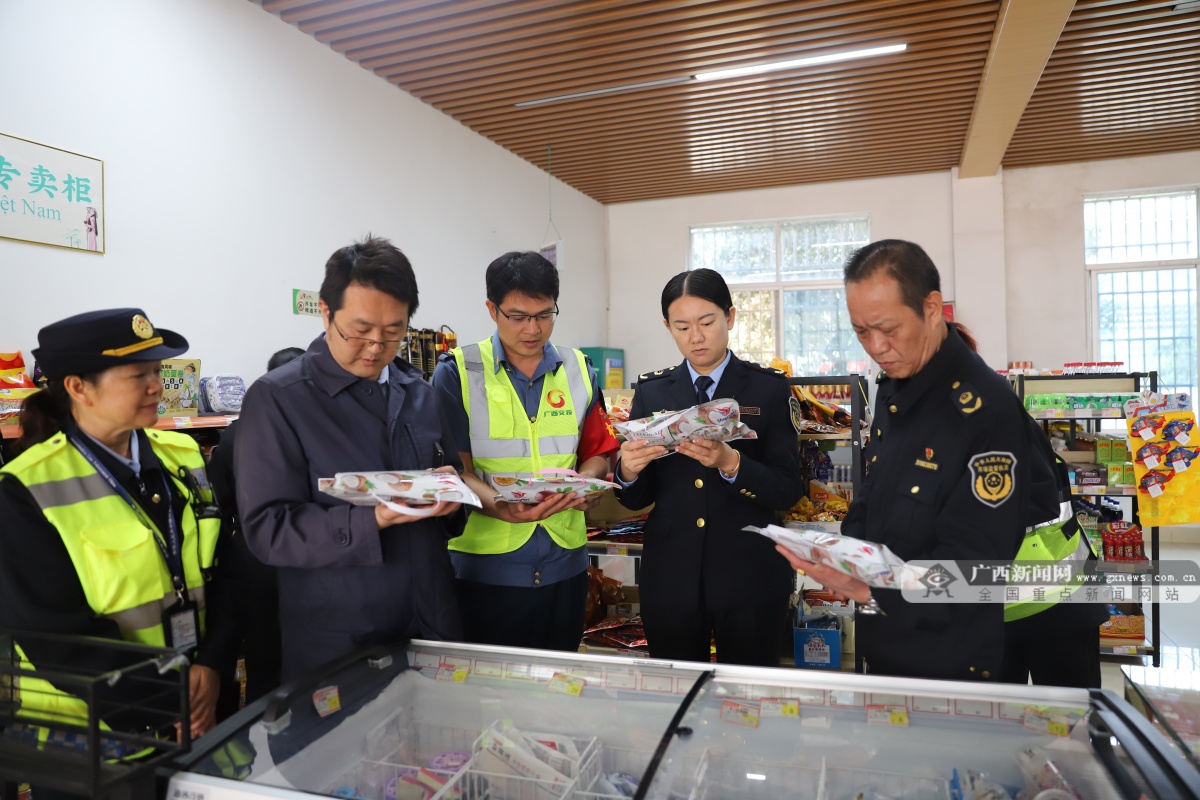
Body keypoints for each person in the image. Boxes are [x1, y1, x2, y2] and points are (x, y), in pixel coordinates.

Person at [776, 240, 1061, 681]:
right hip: (886, 641)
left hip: (949, 656)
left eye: (888, 328)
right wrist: (843, 551)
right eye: (861, 332)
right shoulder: (894, 387)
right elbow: (875, 492)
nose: (876, 346)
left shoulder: (985, 410)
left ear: (932, 309)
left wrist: (873, 586)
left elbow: (973, 569)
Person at [0, 309, 235, 754]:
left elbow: (225, 570)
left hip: (200, 715)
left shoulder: (182, 455)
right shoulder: (24, 489)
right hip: (97, 741)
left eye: (157, 371)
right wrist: (172, 699)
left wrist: (213, 665)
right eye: (137, 375)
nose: (157, 386)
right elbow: (56, 636)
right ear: (77, 388)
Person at [234, 236, 464, 682]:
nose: (376, 346)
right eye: (359, 330)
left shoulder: (419, 393)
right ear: (326, 312)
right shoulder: (279, 399)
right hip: (341, 632)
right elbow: (267, 530)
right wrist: (372, 519)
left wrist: (453, 496)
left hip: (430, 614)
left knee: (440, 747)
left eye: (393, 331)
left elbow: (448, 477)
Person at [614, 268, 804, 667]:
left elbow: (788, 488)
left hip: (749, 573)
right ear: (668, 327)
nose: (695, 337)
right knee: (676, 694)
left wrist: (731, 462)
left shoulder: (768, 389)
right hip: (671, 577)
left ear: (730, 318)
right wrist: (628, 472)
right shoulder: (652, 392)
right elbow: (638, 498)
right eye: (681, 327)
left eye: (706, 322)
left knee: (749, 698)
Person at [430, 251, 618, 652]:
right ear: (492, 310)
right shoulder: (458, 372)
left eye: (544, 315)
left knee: (556, 688)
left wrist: (587, 484)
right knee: (489, 698)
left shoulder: (579, 368)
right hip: (487, 569)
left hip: (565, 563)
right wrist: (499, 506)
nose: (533, 329)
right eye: (518, 316)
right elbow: (454, 470)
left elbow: (598, 450)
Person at [206, 346, 304, 713]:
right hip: (309, 555)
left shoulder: (235, 435)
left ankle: (264, 726)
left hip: (256, 555)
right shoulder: (312, 432)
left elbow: (220, 504)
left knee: (264, 651)